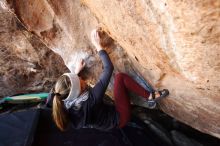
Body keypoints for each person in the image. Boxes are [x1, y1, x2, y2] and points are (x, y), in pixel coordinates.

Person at [46, 29, 169, 131]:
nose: (80, 78)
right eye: (79, 80)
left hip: (103, 118)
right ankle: (149, 96)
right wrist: (98, 46)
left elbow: (67, 88)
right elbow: (108, 68)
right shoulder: (90, 101)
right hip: (119, 118)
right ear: (81, 89)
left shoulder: (60, 96)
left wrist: (75, 73)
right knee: (120, 78)